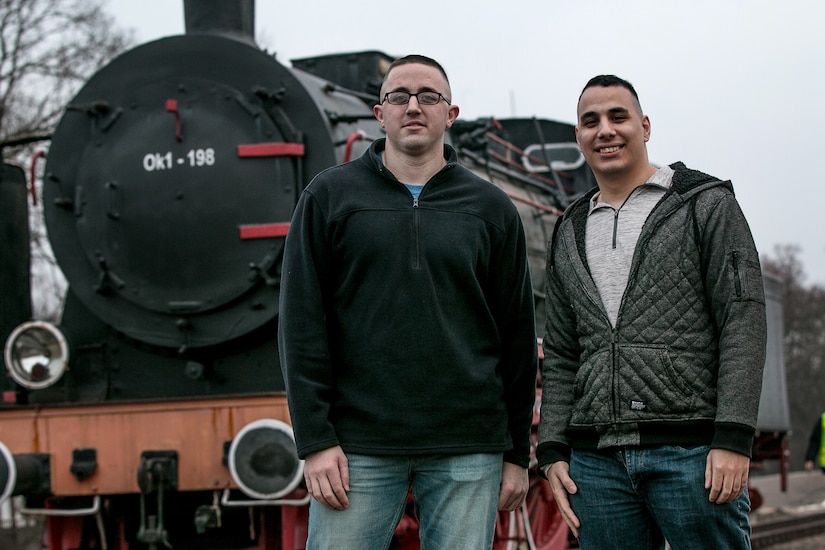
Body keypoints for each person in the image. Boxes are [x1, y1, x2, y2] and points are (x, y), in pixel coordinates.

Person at [278, 54, 538, 550]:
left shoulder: (492, 208)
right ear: (380, 113)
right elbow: (300, 323)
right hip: (357, 446)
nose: (413, 106)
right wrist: (315, 441)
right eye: (399, 96)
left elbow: (517, 338)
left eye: (428, 96)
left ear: (450, 114)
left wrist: (516, 453)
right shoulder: (329, 197)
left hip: (468, 445)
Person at [536, 74, 767, 550]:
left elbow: (742, 322)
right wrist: (553, 449)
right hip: (596, 466)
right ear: (578, 137)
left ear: (644, 126)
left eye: (618, 116)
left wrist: (734, 437)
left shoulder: (704, 204)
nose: (605, 130)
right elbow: (560, 351)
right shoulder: (569, 228)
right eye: (590, 121)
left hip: (692, 453)